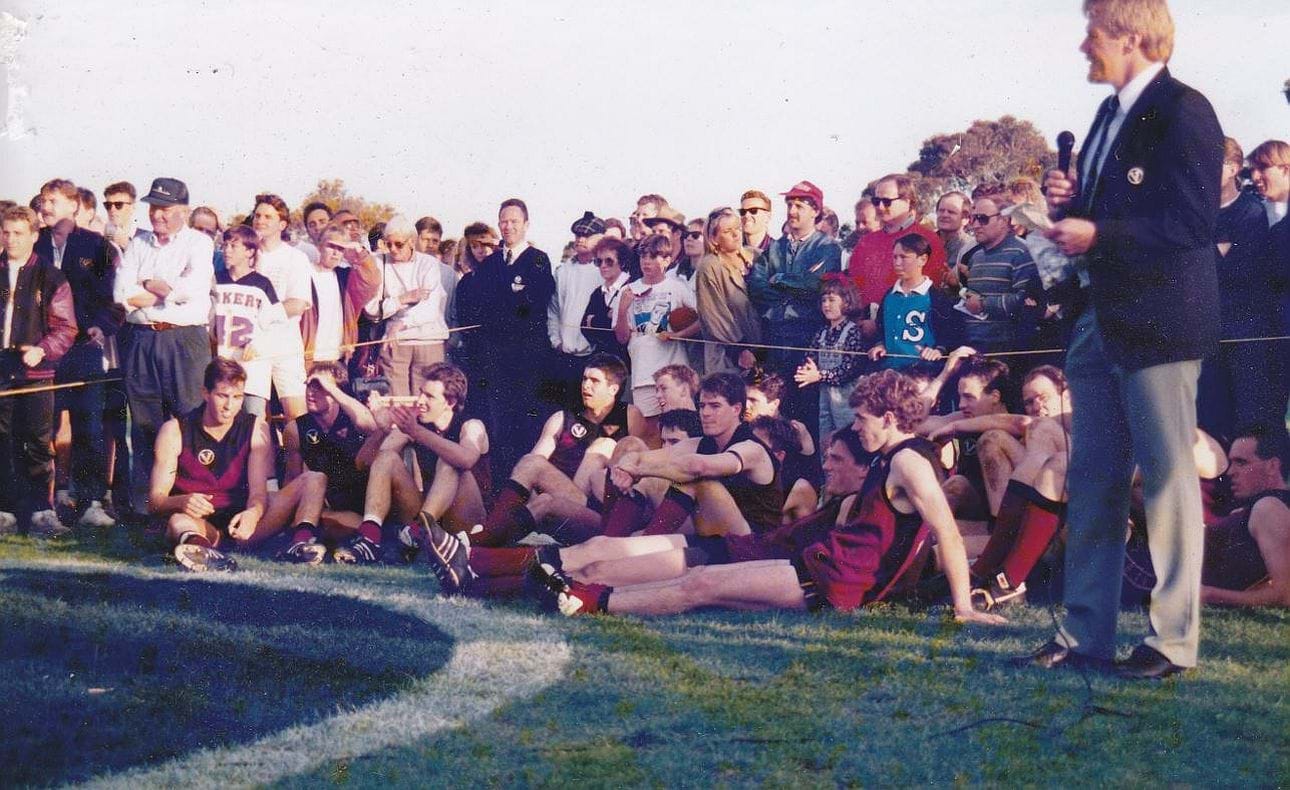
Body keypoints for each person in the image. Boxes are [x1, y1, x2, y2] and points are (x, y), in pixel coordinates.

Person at [1022, 0, 1225, 679]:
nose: (1086, 46)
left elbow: (1192, 223)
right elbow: (1115, 216)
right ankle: (1087, 634)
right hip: (1099, 324)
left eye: (1094, 34)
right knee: (1094, 479)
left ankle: (1172, 643)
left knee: (1167, 484)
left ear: (1132, 37)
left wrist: (1099, 233)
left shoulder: (1184, 110)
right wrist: (1074, 205)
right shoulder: (1109, 114)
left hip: (1160, 328)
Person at [151, 359, 329, 571]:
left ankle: (300, 545)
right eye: (222, 396)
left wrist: (253, 514)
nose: (229, 406)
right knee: (178, 521)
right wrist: (182, 501)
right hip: (202, 523)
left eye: (237, 397)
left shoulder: (254, 427)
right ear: (205, 393)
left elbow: (257, 493)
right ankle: (201, 551)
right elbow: (155, 501)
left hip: (243, 524)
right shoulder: (175, 430)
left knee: (314, 479)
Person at [113, 178, 214, 515]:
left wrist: (151, 287)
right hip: (142, 339)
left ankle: (192, 500)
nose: (158, 215)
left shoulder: (199, 243)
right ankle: (148, 506)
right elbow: (121, 294)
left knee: (189, 417)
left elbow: (191, 288)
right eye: (154, 207)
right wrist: (162, 290)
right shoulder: (139, 243)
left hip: (184, 341)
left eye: (166, 208)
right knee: (144, 423)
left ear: (183, 210)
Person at [468, 353, 628, 547]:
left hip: (593, 511)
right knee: (533, 467)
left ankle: (488, 534)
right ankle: (491, 536)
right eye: (585, 379)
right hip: (554, 501)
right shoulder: (563, 418)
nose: (586, 386)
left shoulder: (628, 416)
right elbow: (532, 464)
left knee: (604, 445)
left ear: (613, 389)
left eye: (594, 381)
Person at [36, 179, 121, 528]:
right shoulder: (34, 243)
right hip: (43, 352)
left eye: (53, 200)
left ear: (73, 205)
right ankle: (41, 503)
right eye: (43, 201)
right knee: (42, 427)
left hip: (84, 349)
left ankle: (92, 502)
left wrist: (101, 326)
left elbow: (111, 299)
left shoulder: (97, 246)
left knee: (89, 426)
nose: (46, 206)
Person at [1197, 137, 1284, 444]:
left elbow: (1239, 271)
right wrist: (1215, 251)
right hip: (1206, 334)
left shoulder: (1251, 212)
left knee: (1250, 421)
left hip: (1247, 333)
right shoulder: (1196, 213)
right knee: (1209, 419)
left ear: (1232, 168)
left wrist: (1202, 255)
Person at [361, 362, 492, 559]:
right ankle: (369, 538)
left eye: (429, 396)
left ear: (450, 402)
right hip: (431, 517)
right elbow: (366, 463)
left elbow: (466, 459)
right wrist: (381, 430)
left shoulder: (471, 425)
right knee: (387, 458)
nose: (420, 400)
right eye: (421, 392)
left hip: (469, 521)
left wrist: (415, 432)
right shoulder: (419, 426)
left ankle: (419, 529)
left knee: (450, 462)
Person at [0, 206, 77, 537]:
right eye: (6, 232)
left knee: (36, 442)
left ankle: (41, 511)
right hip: (2, 373)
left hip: (36, 375)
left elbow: (66, 328)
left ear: (34, 235)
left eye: (19, 233)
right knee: (2, 441)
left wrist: (42, 349)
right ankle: (5, 511)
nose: (11, 239)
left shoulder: (51, 276)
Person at [748, 180, 842, 424]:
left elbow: (816, 286)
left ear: (815, 211)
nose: (792, 211)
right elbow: (756, 287)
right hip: (775, 336)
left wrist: (778, 279)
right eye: (790, 204)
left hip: (807, 336)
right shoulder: (775, 247)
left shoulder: (828, 247)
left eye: (799, 205)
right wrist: (790, 286)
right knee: (776, 404)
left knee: (805, 408)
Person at [474, 198, 556, 477]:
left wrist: (506, 305)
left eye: (514, 221)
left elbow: (533, 306)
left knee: (527, 425)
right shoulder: (490, 263)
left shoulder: (538, 260)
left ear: (526, 224)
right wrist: (511, 300)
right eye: (503, 221)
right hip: (496, 361)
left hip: (528, 360)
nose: (508, 227)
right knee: (499, 427)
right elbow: (482, 306)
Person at [282, 361, 381, 563]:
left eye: (321, 388)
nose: (312, 393)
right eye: (310, 385)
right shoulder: (296, 429)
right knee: (322, 519)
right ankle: (305, 541)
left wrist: (333, 389)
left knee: (349, 523)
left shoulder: (353, 418)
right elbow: (292, 478)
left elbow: (371, 426)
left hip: (363, 503)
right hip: (326, 504)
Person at [1194, 427, 1290, 608]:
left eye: (1241, 462)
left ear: (1272, 466)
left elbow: (1285, 594)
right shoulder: (1262, 507)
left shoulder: (1269, 507)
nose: (1230, 472)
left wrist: (1208, 594)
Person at [616, 233, 699, 431]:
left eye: (653, 256)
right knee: (649, 431)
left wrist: (678, 335)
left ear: (667, 260)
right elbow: (621, 338)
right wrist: (621, 309)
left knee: (682, 427)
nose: (646, 261)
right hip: (643, 375)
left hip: (675, 374)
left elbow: (703, 320)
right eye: (643, 256)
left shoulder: (677, 287)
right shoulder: (627, 290)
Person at [364, 215, 449, 397]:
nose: (393, 249)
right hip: (394, 343)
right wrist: (403, 298)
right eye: (388, 244)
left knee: (427, 401)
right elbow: (371, 309)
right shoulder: (378, 261)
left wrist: (400, 323)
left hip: (428, 340)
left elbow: (430, 308)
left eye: (399, 244)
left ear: (411, 242)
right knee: (396, 403)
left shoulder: (429, 264)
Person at [249, 193, 313, 419]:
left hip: (285, 345)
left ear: (282, 224)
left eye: (268, 216)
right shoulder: (246, 255)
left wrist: (263, 316)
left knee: (297, 418)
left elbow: (297, 304)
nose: (260, 221)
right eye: (257, 215)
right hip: (252, 346)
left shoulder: (296, 258)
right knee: (255, 418)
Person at [209, 225, 283, 417]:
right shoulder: (215, 281)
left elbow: (277, 323)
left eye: (234, 246)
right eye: (224, 246)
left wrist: (258, 344)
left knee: (253, 420)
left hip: (252, 367)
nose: (227, 251)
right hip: (223, 363)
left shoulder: (261, 284)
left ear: (250, 251)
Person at [847, 174, 949, 312]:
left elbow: (931, 289)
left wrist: (881, 321)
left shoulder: (928, 240)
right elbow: (853, 285)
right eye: (876, 201)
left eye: (887, 201)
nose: (880, 207)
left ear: (907, 201)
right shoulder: (866, 242)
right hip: (865, 323)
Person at [956, 198, 1041, 353]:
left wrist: (983, 303)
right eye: (973, 218)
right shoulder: (976, 256)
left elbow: (1028, 300)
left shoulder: (1021, 253)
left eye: (982, 219)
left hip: (1004, 349)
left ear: (1003, 220)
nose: (975, 225)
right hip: (971, 346)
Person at [866, 234, 961, 372]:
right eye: (895, 257)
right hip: (889, 373)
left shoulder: (936, 298)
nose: (897, 263)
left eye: (904, 257)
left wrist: (939, 350)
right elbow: (881, 330)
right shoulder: (889, 295)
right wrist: (880, 345)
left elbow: (948, 335)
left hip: (921, 374)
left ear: (922, 259)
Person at [796, 276, 868, 443]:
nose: (826, 305)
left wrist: (819, 375)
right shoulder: (822, 332)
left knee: (847, 437)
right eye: (823, 300)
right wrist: (807, 370)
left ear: (846, 302)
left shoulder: (852, 331)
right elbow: (810, 356)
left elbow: (849, 368)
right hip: (825, 396)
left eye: (832, 300)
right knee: (826, 438)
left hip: (846, 398)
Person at [299, 223, 381, 366]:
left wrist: (359, 253)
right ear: (319, 246)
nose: (336, 253)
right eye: (331, 246)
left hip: (338, 358)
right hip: (307, 358)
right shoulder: (303, 273)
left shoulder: (345, 278)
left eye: (341, 248)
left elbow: (372, 281)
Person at [695, 207, 761, 376]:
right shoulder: (709, 265)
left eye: (738, 229)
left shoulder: (757, 256)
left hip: (762, 351)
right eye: (728, 231)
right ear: (714, 238)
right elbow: (714, 314)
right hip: (727, 356)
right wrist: (739, 349)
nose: (736, 234)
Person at [549, 212, 606, 401]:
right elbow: (554, 309)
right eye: (578, 235)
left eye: (587, 235)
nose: (581, 239)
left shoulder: (603, 272)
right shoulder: (563, 270)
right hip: (564, 353)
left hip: (592, 354)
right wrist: (556, 340)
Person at [579, 237, 631, 362]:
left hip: (627, 362)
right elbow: (584, 328)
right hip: (602, 360)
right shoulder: (598, 293)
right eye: (599, 261)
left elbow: (625, 336)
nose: (603, 266)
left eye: (609, 261)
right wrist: (608, 318)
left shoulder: (631, 289)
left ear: (622, 262)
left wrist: (594, 320)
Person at [628, 363, 699, 448]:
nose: (657, 395)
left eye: (664, 388)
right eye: (657, 390)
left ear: (684, 390)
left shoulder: (704, 424)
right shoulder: (661, 425)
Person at [1247, 140, 1289, 227]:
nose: (1254, 177)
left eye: (1262, 168)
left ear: (1285, 169)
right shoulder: (1252, 214)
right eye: (1252, 170)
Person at [935, 192, 975, 269]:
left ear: (965, 219)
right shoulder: (925, 243)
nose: (944, 215)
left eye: (951, 212)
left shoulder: (971, 249)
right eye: (941, 210)